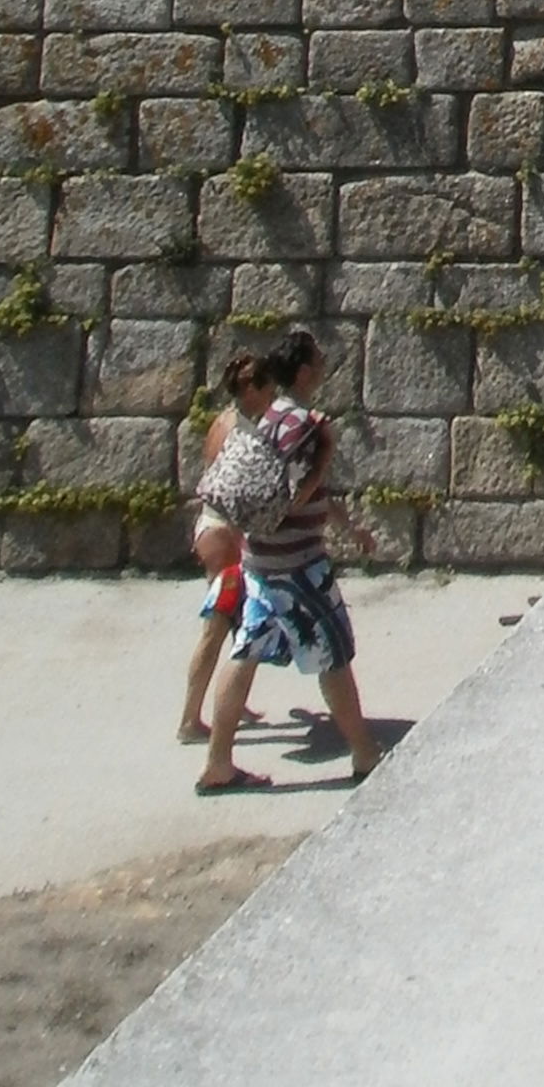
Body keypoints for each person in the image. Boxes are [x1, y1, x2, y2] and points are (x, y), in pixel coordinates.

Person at [198, 327, 381, 793]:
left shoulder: (271, 414)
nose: (324, 363)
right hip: (299, 567)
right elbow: (294, 499)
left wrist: (349, 527)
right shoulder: (309, 424)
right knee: (333, 656)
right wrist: (327, 453)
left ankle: (218, 763)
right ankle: (364, 755)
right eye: (318, 357)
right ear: (305, 370)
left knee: (244, 653)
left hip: (258, 560)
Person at [177, 346, 278, 748]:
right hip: (225, 534)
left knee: (235, 625)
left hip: (211, 527)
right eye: (268, 383)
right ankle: (189, 720)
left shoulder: (223, 421)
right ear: (252, 388)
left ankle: (230, 702)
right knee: (216, 628)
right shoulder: (243, 429)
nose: (274, 390)